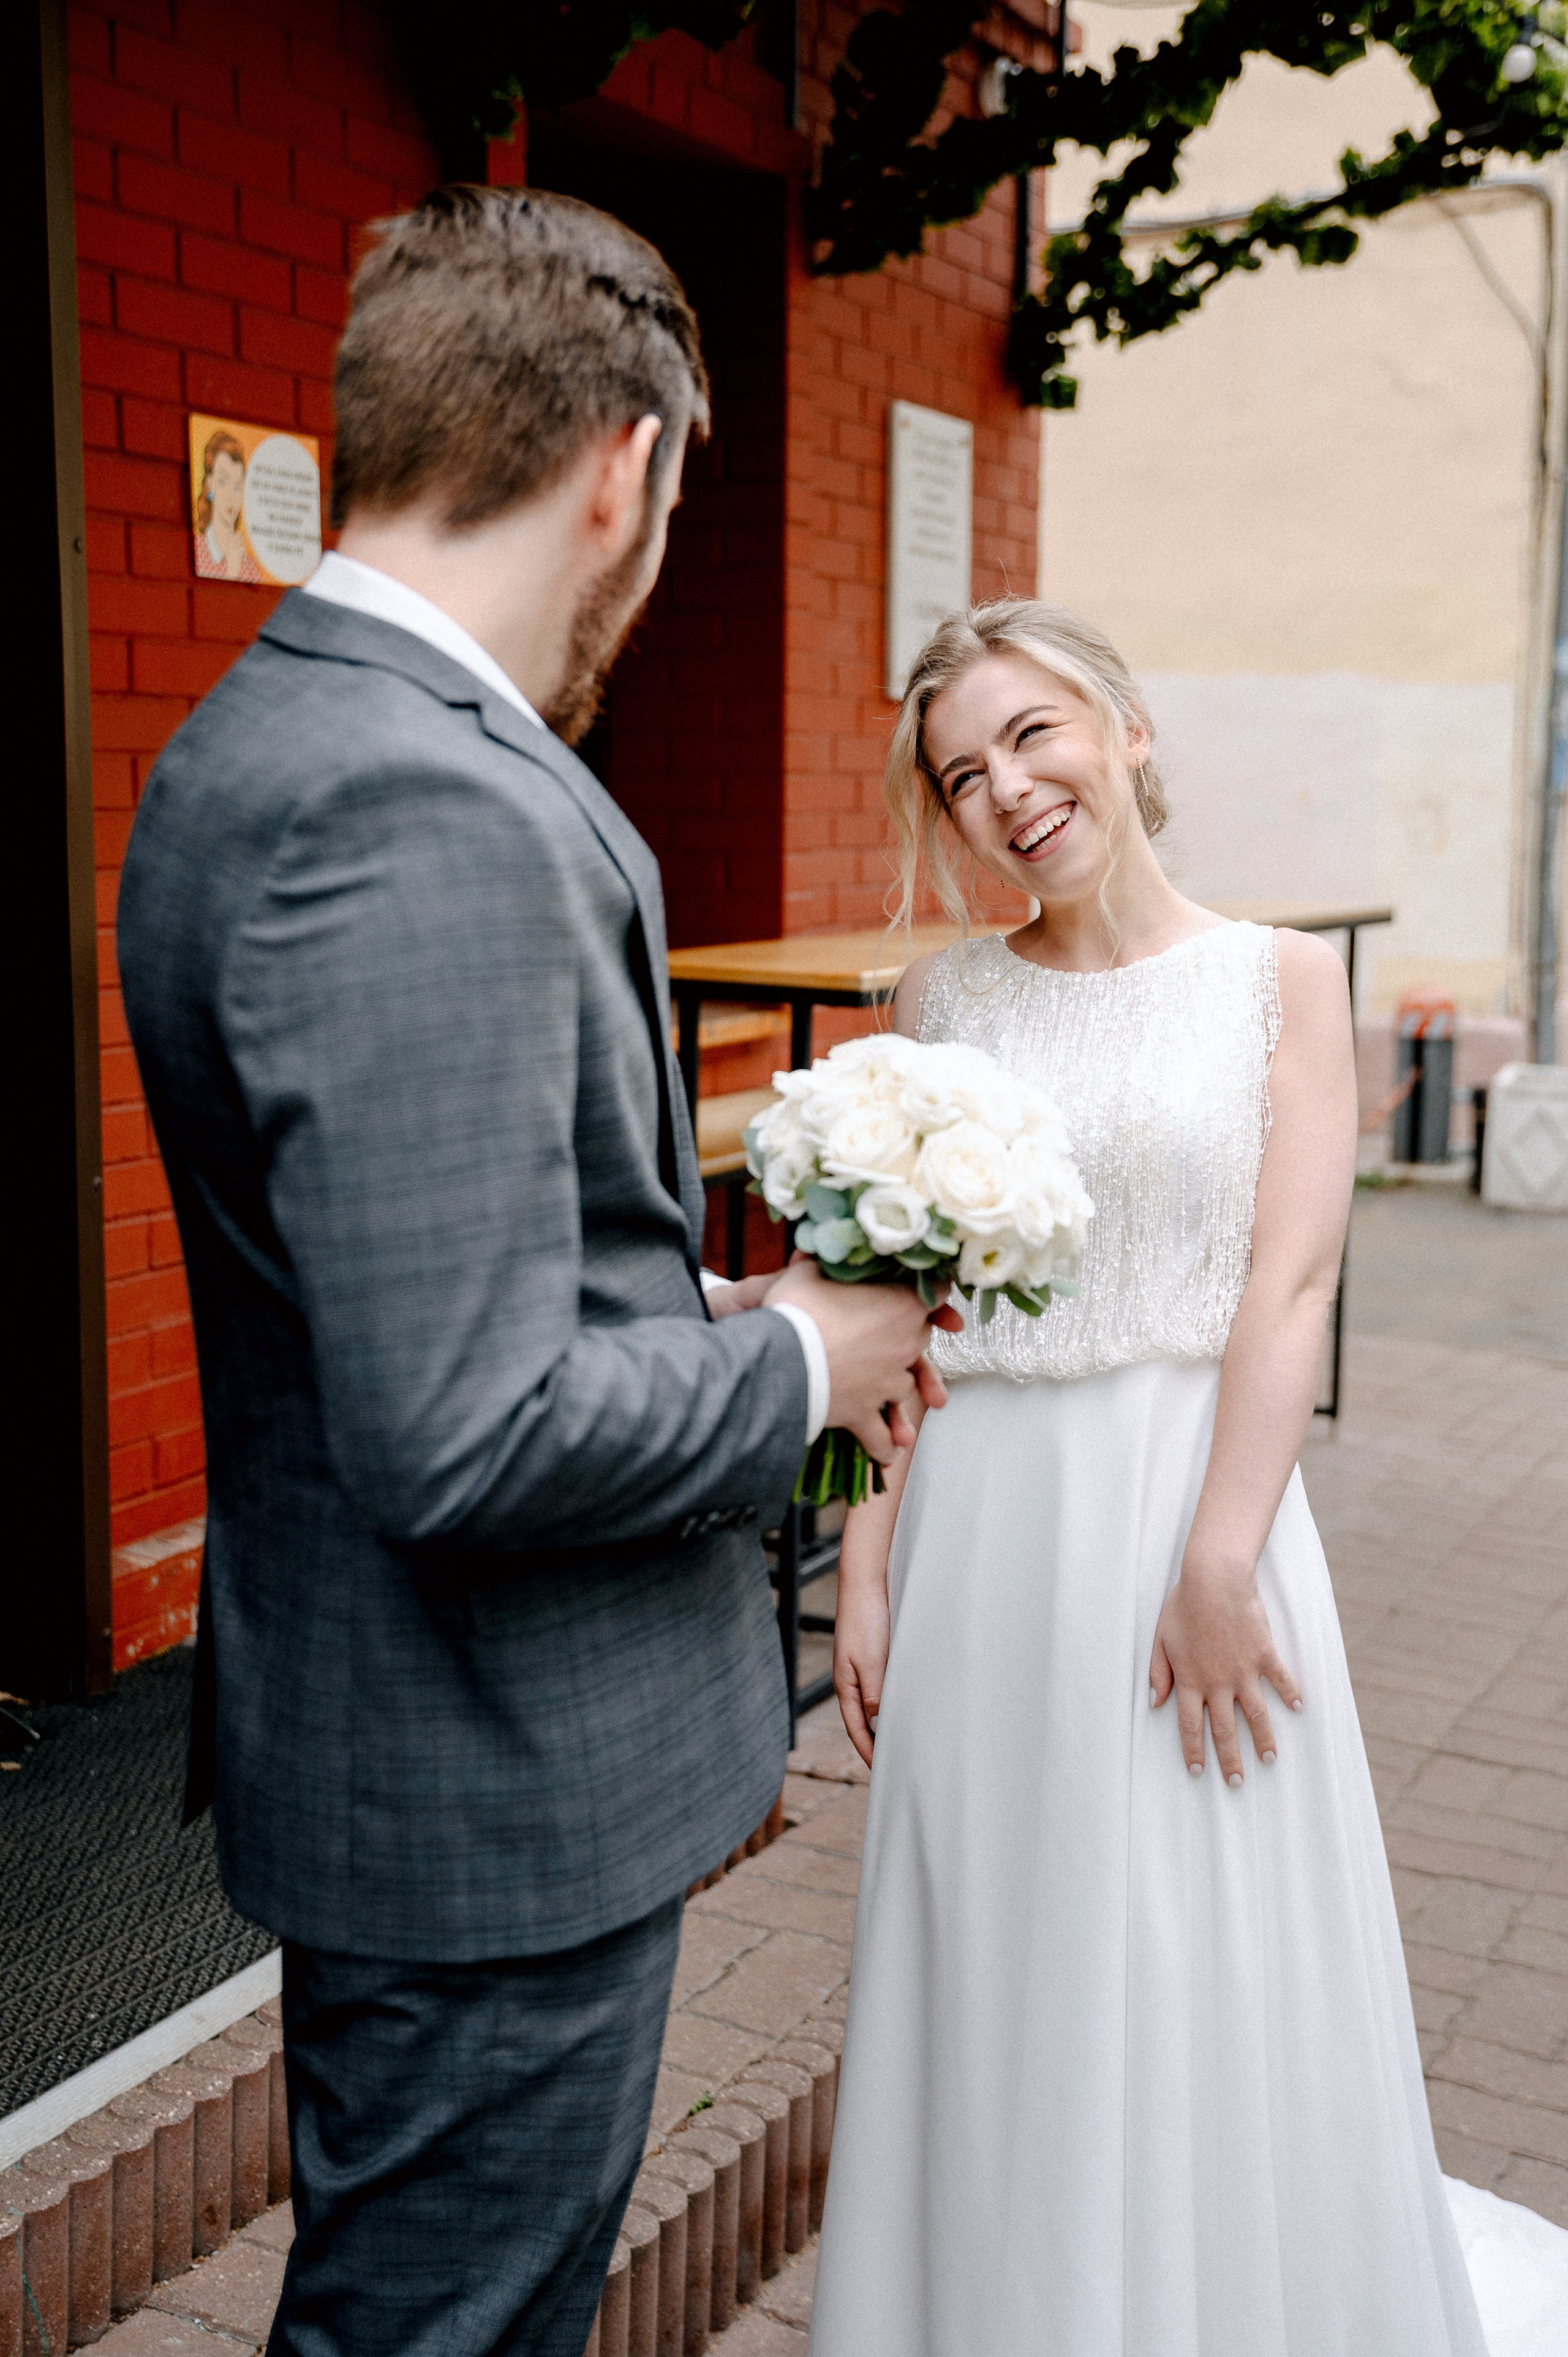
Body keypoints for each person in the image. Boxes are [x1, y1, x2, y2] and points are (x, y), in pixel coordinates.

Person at [118, 186, 952, 2357]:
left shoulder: (268, 731)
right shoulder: (426, 800)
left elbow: (422, 1288)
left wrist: (702, 1319)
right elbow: (469, 1428)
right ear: (626, 467)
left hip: (418, 1754)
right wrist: (804, 1350)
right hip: (485, 1785)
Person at [807, 599, 1568, 2354]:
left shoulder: (1278, 980)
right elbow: (891, 1310)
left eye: (1034, 734)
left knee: (1195, 1937)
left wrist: (1220, 1560)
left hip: (1187, 1513)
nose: (1008, 789)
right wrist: (863, 1564)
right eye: (963, 773)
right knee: (1002, 1940)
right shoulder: (940, 1001)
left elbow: (1289, 1287)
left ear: (1126, 730)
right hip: (983, 1529)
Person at [192, 428, 262, 582]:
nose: (231, 496)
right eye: (223, 482)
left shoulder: (250, 567)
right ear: (210, 483)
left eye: (237, 487)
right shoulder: (197, 551)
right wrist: (232, 570)